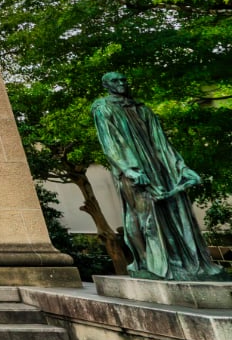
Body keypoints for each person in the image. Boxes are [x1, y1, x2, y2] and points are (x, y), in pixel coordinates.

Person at [92, 72, 224, 281]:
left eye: (123, 80)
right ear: (106, 85)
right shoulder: (103, 108)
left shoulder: (142, 109)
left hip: (158, 167)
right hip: (131, 170)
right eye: (115, 81)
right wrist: (129, 169)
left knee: (171, 211)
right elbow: (111, 143)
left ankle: (180, 262)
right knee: (142, 215)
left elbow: (161, 141)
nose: (121, 84)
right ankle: (147, 261)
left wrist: (181, 167)